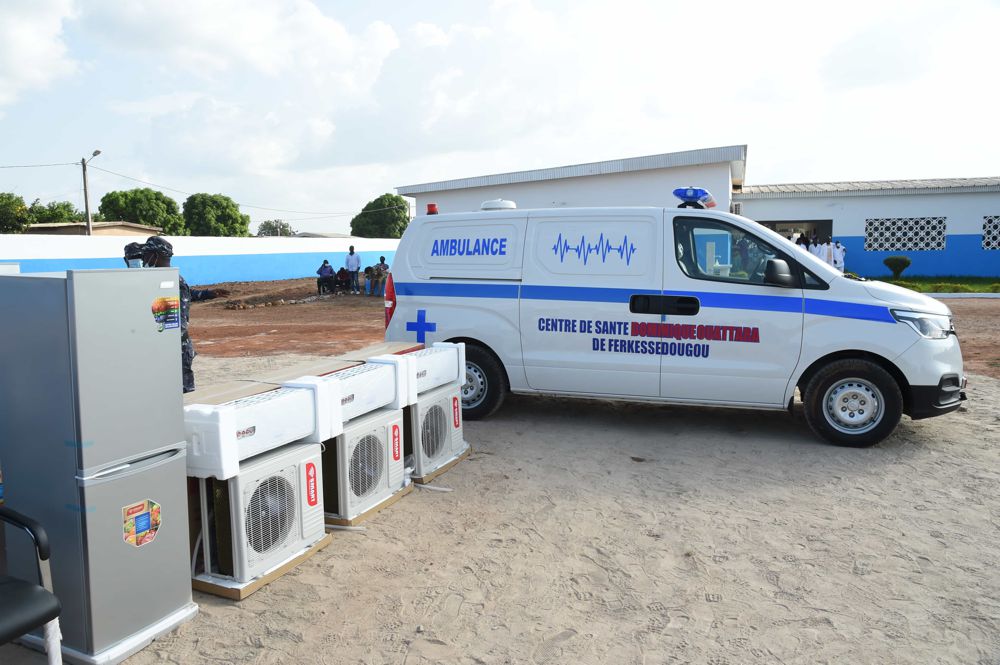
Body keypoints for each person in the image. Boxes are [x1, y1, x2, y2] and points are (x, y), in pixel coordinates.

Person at [142, 236, 196, 393]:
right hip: (163, 348)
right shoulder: (157, 280)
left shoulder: (173, 281)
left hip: (177, 349)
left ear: (155, 256)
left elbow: (180, 324)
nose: (144, 258)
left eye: (146, 255)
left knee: (182, 397)